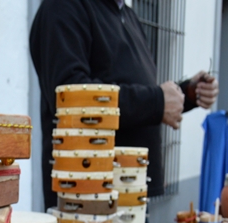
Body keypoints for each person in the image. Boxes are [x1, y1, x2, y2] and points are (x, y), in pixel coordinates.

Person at [30, 0, 218, 209]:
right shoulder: (63, 7)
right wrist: (157, 101)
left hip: (130, 190)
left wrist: (186, 94)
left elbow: (131, 88)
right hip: (87, 197)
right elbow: (71, 94)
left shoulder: (127, 15)